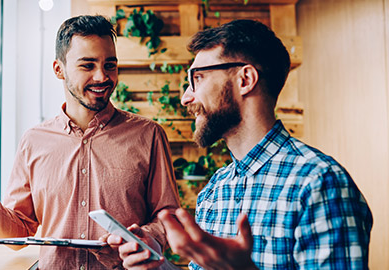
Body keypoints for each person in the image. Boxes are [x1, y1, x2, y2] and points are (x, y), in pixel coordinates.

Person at [108, 19, 373, 270]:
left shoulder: (319, 182)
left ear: (245, 80)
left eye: (197, 78)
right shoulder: (215, 189)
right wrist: (157, 264)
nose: (186, 97)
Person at [0, 15, 180, 270]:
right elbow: (17, 234)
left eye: (110, 65)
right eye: (87, 65)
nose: (102, 76)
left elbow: (168, 219)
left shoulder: (148, 135)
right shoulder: (34, 141)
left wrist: (142, 239)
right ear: (59, 69)